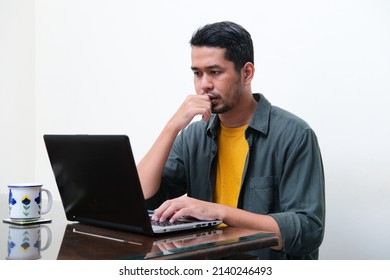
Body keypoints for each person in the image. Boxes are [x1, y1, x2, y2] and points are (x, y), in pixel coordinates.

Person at [137, 21, 325, 260]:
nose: (204, 85)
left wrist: (216, 212)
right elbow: (141, 199)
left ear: (246, 73)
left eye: (214, 72)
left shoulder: (294, 135)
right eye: (197, 73)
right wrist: (172, 127)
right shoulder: (194, 136)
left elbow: (308, 230)